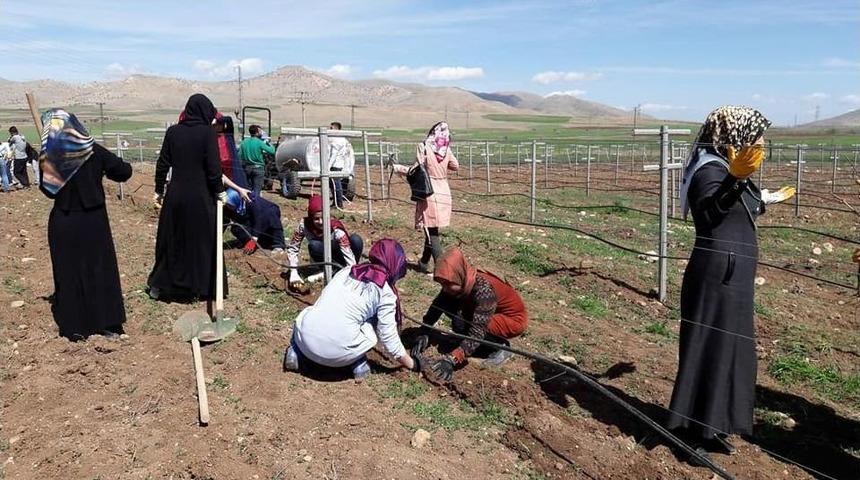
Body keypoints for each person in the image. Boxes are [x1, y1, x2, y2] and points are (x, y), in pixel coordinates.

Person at [668, 105, 772, 457]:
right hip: (719, 274)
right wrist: (736, 179)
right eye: (755, 135)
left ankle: (712, 426)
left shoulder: (726, 166)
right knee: (711, 346)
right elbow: (711, 213)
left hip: (733, 274)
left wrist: (761, 196)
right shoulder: (709, 169)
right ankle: (694, 433)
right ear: (733, 134)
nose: (760, 142)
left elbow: (742, 205)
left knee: (729, 347)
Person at [38, 109, 132, 340]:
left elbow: (48, 192)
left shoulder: (53, 157)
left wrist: (46, 163)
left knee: (69, 273)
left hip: (64, 221)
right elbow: (123, 172)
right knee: (100, 270)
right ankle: (107, 323)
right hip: (94, 221)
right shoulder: (92, 149)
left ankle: (75, 326)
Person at [282, 239, 422, 382]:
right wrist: (413, 364)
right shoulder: (385, 293)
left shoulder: (348, 270)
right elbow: (388, 337)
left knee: (312, 312)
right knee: (371, 324)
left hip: (304, 342)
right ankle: (358, 363)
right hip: (336, 357)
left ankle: (294, 352)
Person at [147, 94, 227, 301]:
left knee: (172, 238)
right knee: (201, 240)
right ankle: (201, 286)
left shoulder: (173, 132)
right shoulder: (207, 133)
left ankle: (161, 285)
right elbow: (213, 167)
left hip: (176, 195)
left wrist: (159, 190)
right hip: (200, 197)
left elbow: (162, 163)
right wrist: (219, 190)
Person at [417, 247, 528, 381]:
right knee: (454, 311)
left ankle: (499, 347)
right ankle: (470, 344)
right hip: (489, 311)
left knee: (467, 323)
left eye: (447, 284)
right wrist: (425, 330)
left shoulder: (484, 291)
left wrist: (453, 358)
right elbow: (438, 305)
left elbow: (478, 330)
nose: (444, 289)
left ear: (459, 275)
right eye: (442, 284)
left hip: (512, 320)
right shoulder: (460, 280)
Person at [392, 121, 459, 272]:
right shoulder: (445, 150)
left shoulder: (423, 147)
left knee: (431, 232)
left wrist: (399, 168)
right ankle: (423, 262)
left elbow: (415, 170)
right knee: (431, 228)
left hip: (429, 192)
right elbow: (455, 166)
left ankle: (442, 269)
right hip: (444, 192)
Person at [286, 194, 363, 285]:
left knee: (356, 240)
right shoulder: (304, 225)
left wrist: (352, 272)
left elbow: (347, 251)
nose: (320, 222)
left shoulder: (336, 228)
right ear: (311, 216)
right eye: (316, 219)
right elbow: (293, 247)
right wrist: (293, 273)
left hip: (341, 256)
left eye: (323, 218)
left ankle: (340, 270)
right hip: (322, 257)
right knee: (314, 245)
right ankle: (329, 270)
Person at [239, 124, 275, 196]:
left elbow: (240, 155)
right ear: (257, 132)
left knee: (248, 190)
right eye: (260, 131)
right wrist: (269, 143)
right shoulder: (259, 142)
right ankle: (256, 201)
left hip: (247, 169)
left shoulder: (243, 142)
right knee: (257, 191)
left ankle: (248, 202)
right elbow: (272, 151)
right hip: (258, 169)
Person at [328, 121, 352, 208]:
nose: (329, 130)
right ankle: (336, 202)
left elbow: (334, 154)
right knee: (333, 184)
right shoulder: (342, 139)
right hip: (339, 164)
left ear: (336, 129)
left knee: (335, 184)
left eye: (331, 128)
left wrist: (327, 166)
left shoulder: (337, 140)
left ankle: (339, 203)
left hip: (335, 165)